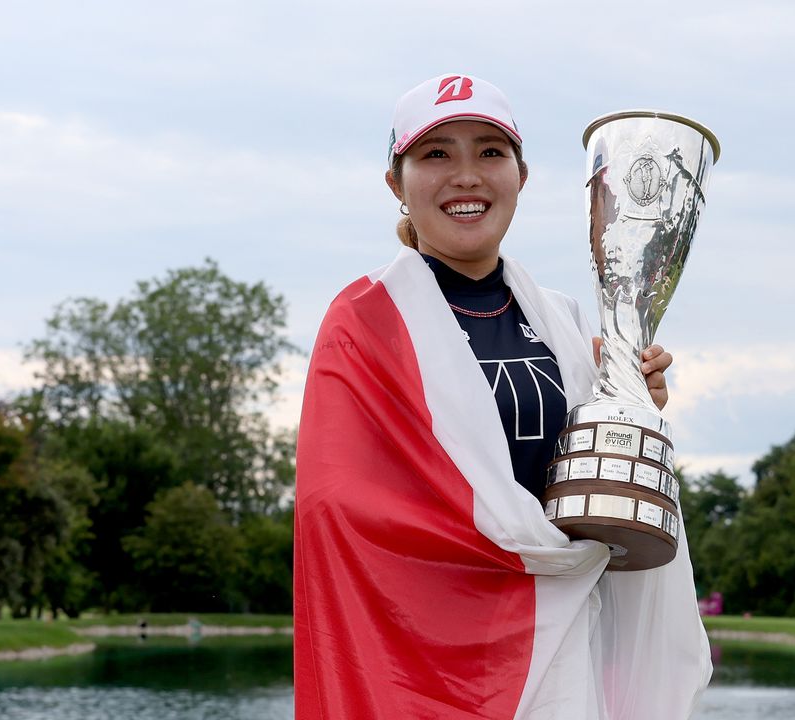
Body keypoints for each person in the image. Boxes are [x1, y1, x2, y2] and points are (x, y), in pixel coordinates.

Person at [294, 73, 710, 720]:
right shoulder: (363, 323)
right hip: (425, 667)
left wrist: (629, 413)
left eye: (490, 151)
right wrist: (515, 558)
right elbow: (339, 511)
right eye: (436, 154)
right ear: (396, 184)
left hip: (567, 655)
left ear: (522, 175)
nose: (467, 174)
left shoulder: (569, 323)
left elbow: (591, 498)